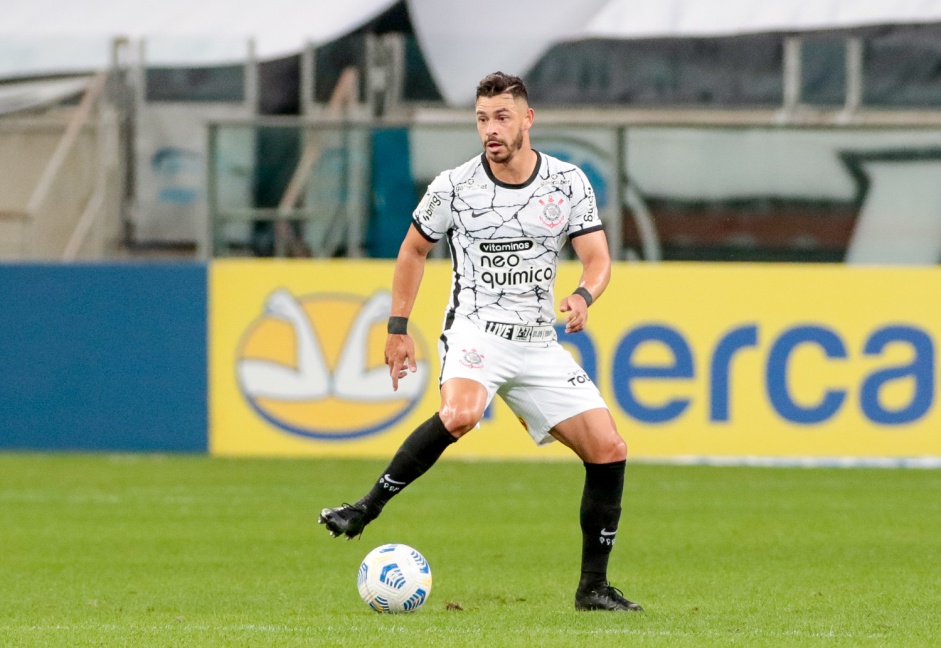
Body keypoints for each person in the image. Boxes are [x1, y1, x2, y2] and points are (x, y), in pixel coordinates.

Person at [319, 71, 642, 613]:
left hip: (538, 342)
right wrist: (397, 329)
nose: (490, 130)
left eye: (501, 118)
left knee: (609, 450)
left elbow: (598, 258)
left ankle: (593, 588)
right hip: (476, 330)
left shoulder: (567, 184)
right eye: (482, 119)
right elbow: (412, 252)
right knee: (463, 413)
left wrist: (585, 294)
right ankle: (365, 508)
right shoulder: (454, 187)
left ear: (527, 119)